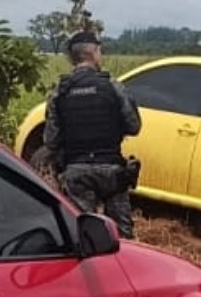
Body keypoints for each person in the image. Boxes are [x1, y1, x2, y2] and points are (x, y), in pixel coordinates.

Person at [42, 31, 141, 238]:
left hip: (76, 172)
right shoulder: (113, 87)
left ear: (72, 58)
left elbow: (50, 140)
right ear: (94, 53)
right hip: (112, 172)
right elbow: (134, 126)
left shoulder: (60, 92)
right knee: (123, 238)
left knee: (84, 236)